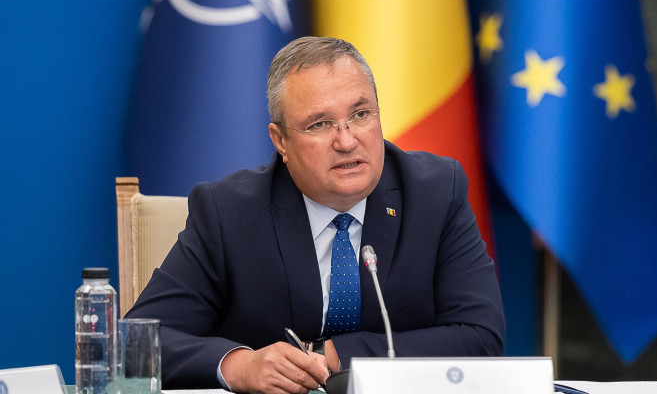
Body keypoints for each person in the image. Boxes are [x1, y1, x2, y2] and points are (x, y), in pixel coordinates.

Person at [126, 36, 505, 393]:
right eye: (320, 124)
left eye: (360, 114)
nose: (347, 140)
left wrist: (336, 354)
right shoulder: (229, 212)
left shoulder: (434, 192)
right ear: (281, 141)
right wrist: (239, 365)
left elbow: (481, 336)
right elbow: (136, 344)